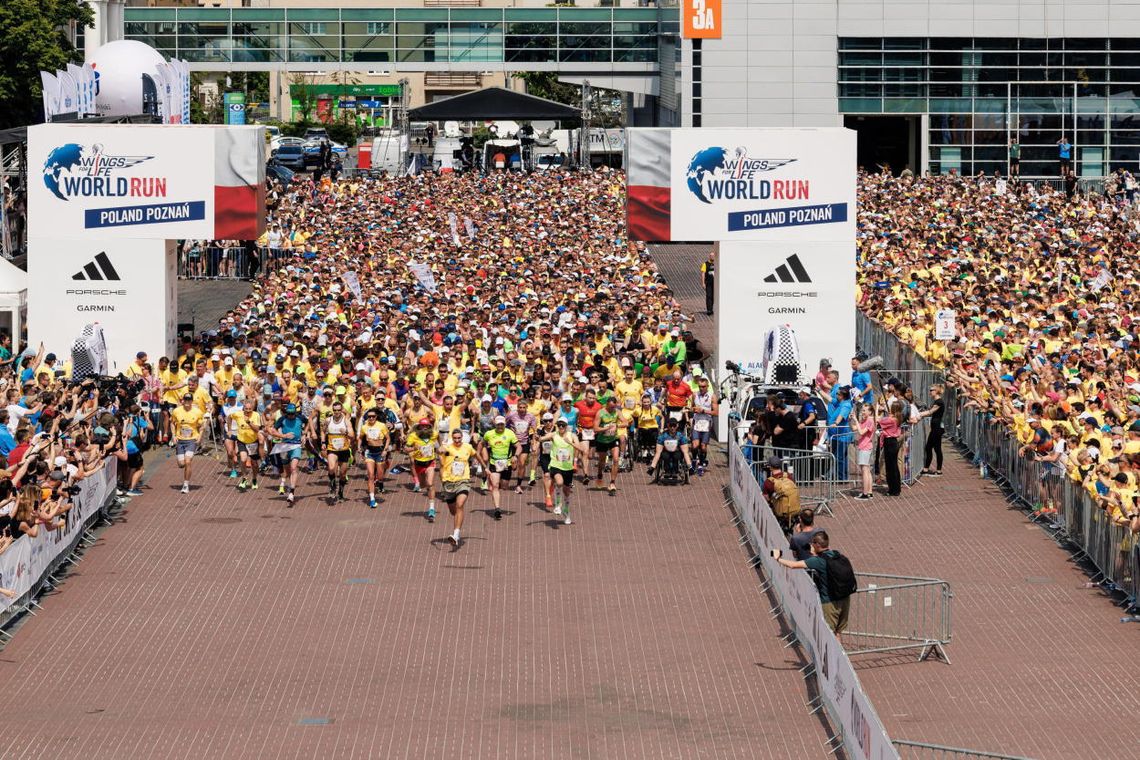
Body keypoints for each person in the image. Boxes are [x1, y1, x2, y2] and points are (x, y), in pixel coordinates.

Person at [775, 530, 857, 641]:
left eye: (813, 544)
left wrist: (778, 559)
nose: (811, 546)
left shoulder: (819, 561)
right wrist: (815, 553)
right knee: (837, 633)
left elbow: (794, 565)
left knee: (829, 636)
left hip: (829, 602)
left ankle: (830, 659)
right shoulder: (837, 554)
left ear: (817, 545)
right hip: (845, 597)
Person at [541, 417, 586, 524]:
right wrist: (538, 437)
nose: (561, 427)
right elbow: (542, 438)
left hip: (568, 468)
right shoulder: (554, 434)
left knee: (566, 493)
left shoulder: (572, 435)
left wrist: (570, 443)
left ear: (566, 426)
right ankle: (557, 504)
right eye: (559, 425)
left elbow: (582, 449)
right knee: (559, 482)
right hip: (555, 465)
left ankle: (566, 514)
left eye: (563, 425)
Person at [438, 427, 475, 545]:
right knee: (454, 511)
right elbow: (440, 450)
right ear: (452, 439)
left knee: (460, 505)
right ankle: (458, 521)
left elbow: (476, 454)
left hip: (463, 481)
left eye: (459, 438)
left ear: (462, 438)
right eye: (455, 438)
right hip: (449, 483)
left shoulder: (467, 447)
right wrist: (441, 449)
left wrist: (485, 468)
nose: (457, 440)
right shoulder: (448, 449)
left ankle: (456, 535)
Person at [265, 402, 306, 506]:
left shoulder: (300, 417)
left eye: (292, 414)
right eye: (289, 413)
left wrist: (305, 434)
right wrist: (283, 435)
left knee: (293, 468)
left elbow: (309, 422)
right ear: (286, 413)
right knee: (286, 470)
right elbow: (271, 430)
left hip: (296, 446)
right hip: (284, 446)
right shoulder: (282, 419)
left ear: (295, 412)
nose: (291, 416)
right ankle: (287, 484)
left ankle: (292, 491)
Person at [480, 415, 517, 520]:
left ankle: (497, 483)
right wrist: (479, 453)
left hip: (507, 464)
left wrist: (515, 456)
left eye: (502, 424)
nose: (500, 426)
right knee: (495, 486)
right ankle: (497, 509)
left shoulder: (510, 433)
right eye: (498, 424)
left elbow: (518, 446)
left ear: (504, 424)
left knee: (504, 486)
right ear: (495, 425)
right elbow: (481, 443)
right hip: (494, 463)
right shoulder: (489, 434)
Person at [405, 418, 440, 522]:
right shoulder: (413, 436)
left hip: (430, 462)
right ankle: (422, 483)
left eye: (426, 426)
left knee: (430, 484)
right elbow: (406, 449)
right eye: (422, 426)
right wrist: (414, 449)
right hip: (418, 464)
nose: (424, 428)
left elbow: (439, 444)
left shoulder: (434, 434)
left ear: (429, 427)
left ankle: (432, 508)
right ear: (419, 427)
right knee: (423, 485)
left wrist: (441, 450)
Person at [171, 393, 205, 494]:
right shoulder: (176, 411)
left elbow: (202, 426)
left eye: (189, 400)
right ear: (182, 401)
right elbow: (172, 423)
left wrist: (200, 436)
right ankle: (185, 467)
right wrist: (173, 435)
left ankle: (186, 485)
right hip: (180, 440)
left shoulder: (197, 412)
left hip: (192, 439)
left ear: (191, 401)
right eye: (185, 400)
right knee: (181, 464)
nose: (187, 402)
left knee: (188, 461)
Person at [323, 401, 355, 503]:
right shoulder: (328, 420)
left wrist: (345, 432)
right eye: (335, 410)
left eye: (338, 410)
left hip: (344, 450)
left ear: (342, 410)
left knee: (342, 473)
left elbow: (352, 436)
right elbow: (323, 431)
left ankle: (341, 492)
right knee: (331, 468)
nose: (336, 412)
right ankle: (332, 487)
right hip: (332, 449)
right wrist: (323, 442)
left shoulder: (346, 421)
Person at [358, 408, 390, 508]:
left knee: (380, 476)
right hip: (370, 452)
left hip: (380, 452)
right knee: (371, 475)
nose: (371, 418)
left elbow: (388, 438)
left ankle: (380, 481)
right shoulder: (364, 427)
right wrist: (359, 447)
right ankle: (372, 499)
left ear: (376, 417)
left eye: (373, 416)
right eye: (369, 416)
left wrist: (385, 450)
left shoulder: (382, 426)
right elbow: (360, 437)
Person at [762, 455, 801, 530]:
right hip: (793, 510)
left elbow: (766, 498)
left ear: (770, 467)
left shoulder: (769, 482)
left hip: (780, 513)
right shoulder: (788, 476)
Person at [877, 400, 903, 496]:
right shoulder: (897, 418)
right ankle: (895, 488)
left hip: (890, 442)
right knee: (893, 466)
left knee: (890, 467)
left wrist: (877, 409)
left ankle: (893, 489)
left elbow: (879, 421)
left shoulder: (892, 419)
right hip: (893, 442)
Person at [919, 384, 945, 476]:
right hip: (935, 428)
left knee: (934, 448)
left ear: (936, 391)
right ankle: (928, 469)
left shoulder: (939, 402)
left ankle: (937, 470)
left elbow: (930, 412)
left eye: (931, 390)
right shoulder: (936, 401)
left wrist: (919, 414)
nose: (930, 392)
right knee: (931, 448)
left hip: (937, 428)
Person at [854, 404, 875, 500]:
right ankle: (869, 492)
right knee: (867, 470)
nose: (863, 412)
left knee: (865, 470)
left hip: (865, 447)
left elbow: (861, 432)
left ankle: (865, 493)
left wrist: (856, 421)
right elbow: (855, 428)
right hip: (864, 446)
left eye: (865, 410)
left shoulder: (870, 421)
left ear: (870, 412)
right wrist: (852, 419)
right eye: (862, 410)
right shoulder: (865, 420)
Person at [700, 251, 715, 315]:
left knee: (714, 296)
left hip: (715, 283)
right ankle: (709, 310)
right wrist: (703, 283)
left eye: (713, 256)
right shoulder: (705, 264)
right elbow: (703, 274)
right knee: (709, 296)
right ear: (709, 256)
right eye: (711, 256)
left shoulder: (717, 263)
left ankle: (713, 308)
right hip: (708, 283)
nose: (712, 257)